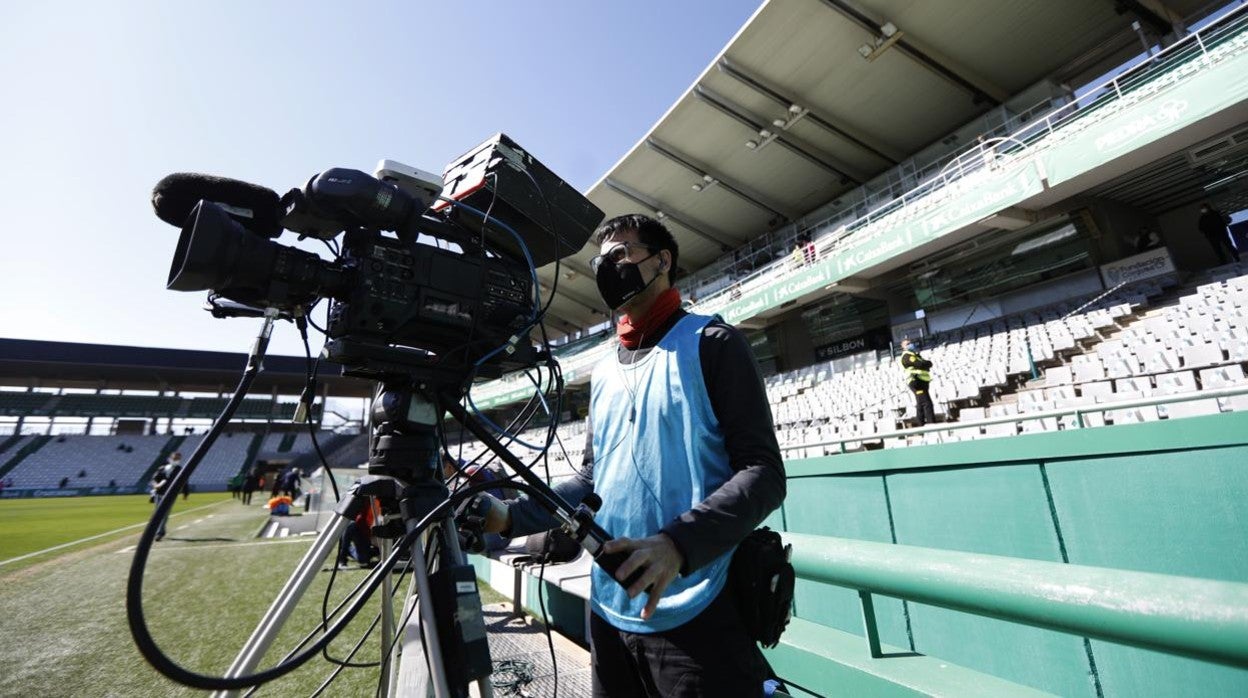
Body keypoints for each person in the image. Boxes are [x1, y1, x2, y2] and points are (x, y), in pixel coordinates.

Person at [473, 213, 786, 696]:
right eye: (602, 260)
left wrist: (677, 545)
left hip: (699, 608)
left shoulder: (714, 343)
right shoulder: (602, 370)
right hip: (608, 612)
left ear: (663, 261)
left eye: (622, 255)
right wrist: (508, 517)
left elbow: (764, 473)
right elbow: (592, 479)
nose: (607, 268)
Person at [899, 338, 935, 426]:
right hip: (916, 381)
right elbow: (920, 364)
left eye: (910, 343)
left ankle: (921, 425)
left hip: (922, 381)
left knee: (920, 403)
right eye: (907, 344)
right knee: (926, 403)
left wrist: (926, 364)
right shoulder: (907, 356)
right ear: (903, 347)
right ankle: (931, 425)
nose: (910, 345)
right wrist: (926, 364)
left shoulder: (915, 355)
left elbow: (927, 363)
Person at [150, 452, 183, 541]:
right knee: (157, 513)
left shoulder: (180, 470)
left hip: (170, 495)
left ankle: (159, 533)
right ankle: (158, 531)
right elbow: (153, 479)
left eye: (178, 458)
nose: (176, 460)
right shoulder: (162, 468)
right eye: (175, 458)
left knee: (165, 514)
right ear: (171, 458)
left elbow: (184, 482)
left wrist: (185, 492)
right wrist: (156, 485)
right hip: (159, 493)